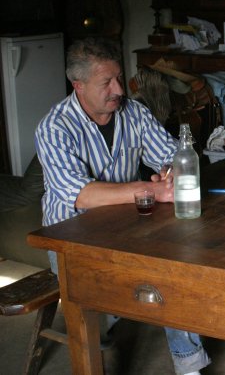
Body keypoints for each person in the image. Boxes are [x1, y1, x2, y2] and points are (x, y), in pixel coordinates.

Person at [35, 37, 210, 375]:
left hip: (130, 224)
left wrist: (170, 171)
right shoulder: (54, 128)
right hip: (72, 238)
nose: (118, 89)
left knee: (180, 262)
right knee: (113, 295)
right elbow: (81, 195)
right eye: (107, 82)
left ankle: (189, 367)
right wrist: (150, 189)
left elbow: (173, 154)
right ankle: (101, 346)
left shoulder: (134, 112)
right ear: (79, 85)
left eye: (118, 77)